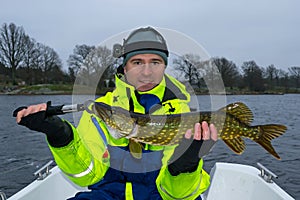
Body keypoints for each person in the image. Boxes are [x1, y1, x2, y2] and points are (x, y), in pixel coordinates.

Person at [15, 27, 217, 200]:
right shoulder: (100, 110)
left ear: (164, 66)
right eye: (137, 62)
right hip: (109, 195)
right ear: (125, 66)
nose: (147, 72)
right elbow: (88, 175)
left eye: (155, 62)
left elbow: (176, 195)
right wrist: (61, 137)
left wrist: (184, 167)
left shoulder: (183, 114)